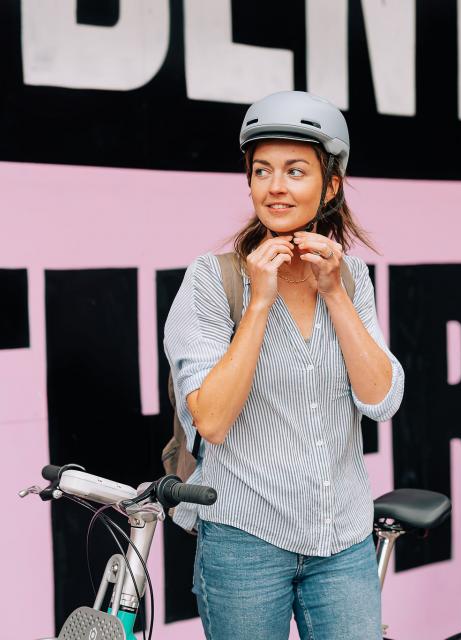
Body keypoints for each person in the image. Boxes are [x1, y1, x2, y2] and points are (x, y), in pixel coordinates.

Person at [163, 91, 404, 640]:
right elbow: (214, 421)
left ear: (330, 185)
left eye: (296, 170)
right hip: (244, 541)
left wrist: (336, 297)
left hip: (342, 541)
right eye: (262, 170)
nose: (276, 186)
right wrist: (260, 302)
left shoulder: (353, 277)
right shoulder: (210, 280)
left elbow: (382, 400)